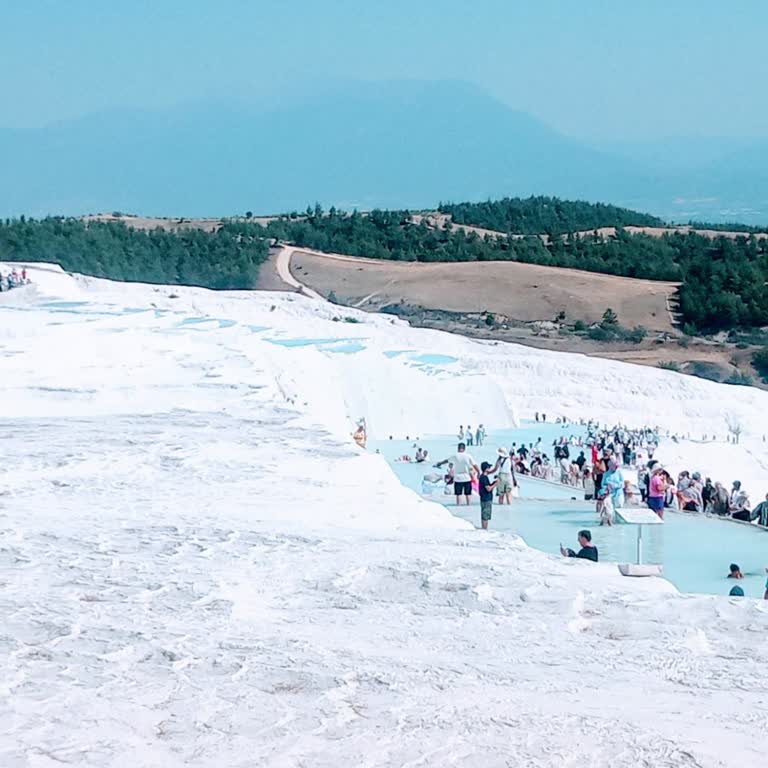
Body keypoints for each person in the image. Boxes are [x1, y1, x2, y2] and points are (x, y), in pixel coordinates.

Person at [478, 461, 498, 530]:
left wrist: (493, 483)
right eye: (489, 467)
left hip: (484, 498)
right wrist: (496, 484)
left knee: (484, 515)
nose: (490, 469)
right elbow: (488, 489)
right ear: (486, 469)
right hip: (486, 499)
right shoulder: (484, 477)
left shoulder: (482, 477)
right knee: (485, 516)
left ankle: (484, 529)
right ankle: (484, 529)